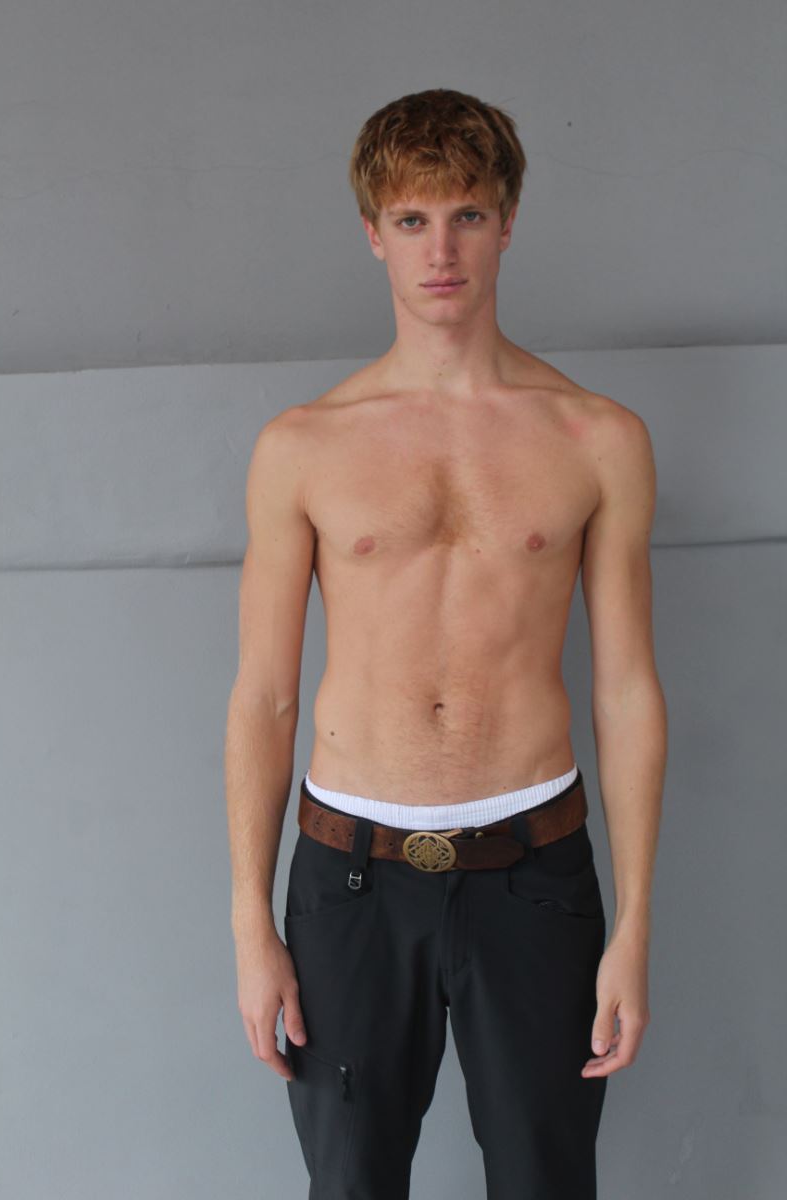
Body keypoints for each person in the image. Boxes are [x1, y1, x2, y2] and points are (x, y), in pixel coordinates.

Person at [225, 87, 667, 1199]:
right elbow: (264, 698)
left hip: (534, 872)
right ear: (372, 233)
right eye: (412, 220)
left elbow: (625, 690)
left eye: (466, 215)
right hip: (349, 879)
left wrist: (634, 926)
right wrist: (249, 923)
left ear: (507, 223)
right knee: (350, 1185)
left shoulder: (598, 439)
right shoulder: (302, 447)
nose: (441, 251)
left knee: (544, 1182)